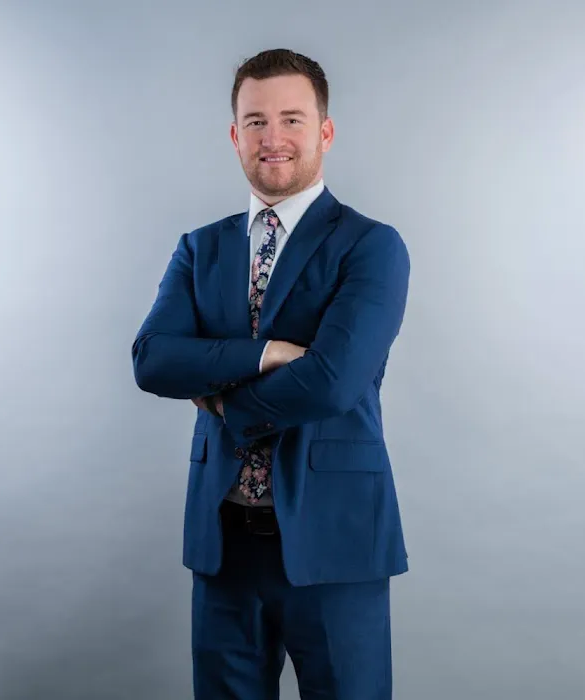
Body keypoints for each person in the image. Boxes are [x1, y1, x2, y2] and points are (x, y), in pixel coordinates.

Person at [133, 48, 410, 700]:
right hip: (224, 542)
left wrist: (222, 402)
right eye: (255, 121)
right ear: (235, 135)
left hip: (335, 540)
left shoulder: (371, 246)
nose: (273, 137)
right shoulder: (200, 247)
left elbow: (333, 381)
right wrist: (264, 354)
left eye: (292, 119)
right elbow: (153, 359)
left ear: (325, 131)